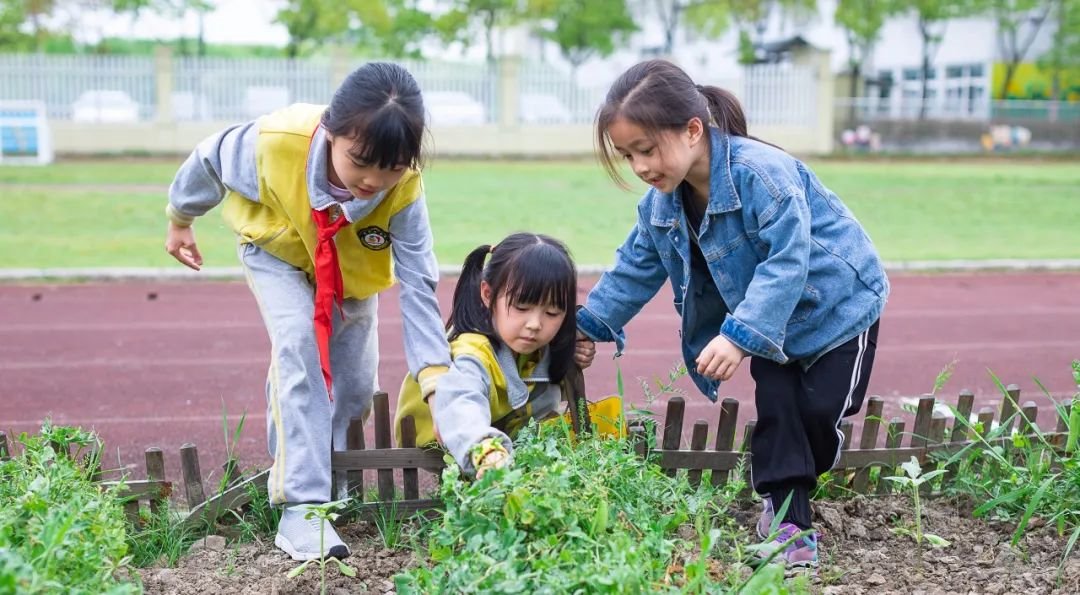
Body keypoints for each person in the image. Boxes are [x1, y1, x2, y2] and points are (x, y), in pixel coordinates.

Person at [575, 59, 889, 570]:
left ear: (692, 129)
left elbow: (788, 263)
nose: (640, 167)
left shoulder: (762, 176)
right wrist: (586, 326)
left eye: (647, 149)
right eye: (627, 155)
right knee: (779, 414)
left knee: (817, 416)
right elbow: (636, 266)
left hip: (838, 310)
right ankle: (791, 526)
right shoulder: (661, 206)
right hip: (769, 329)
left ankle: (798, 484)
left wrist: (739, 335)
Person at [163, 62, 450, 561]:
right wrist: (181, 218)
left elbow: (420, 284)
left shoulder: (404, 190)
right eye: (360, 160)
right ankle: (302, 506)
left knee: (357, 384)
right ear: (330, 131)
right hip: (276, 250)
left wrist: (435, 378)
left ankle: (326, 469)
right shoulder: (277, 141)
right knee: (297, 345)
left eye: (392, 167)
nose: (373, 179)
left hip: (350, 274)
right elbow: (209, 158)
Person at [394, 232, 592, 478]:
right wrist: (485, 449)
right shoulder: (471, 352)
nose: (535, 324)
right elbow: (460, 405)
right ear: (487, 295)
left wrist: (573, 349)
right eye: (521, 308)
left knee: (550, 371)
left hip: (495, 426)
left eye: (552, 312)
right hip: (446, 437)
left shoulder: (532, 343)